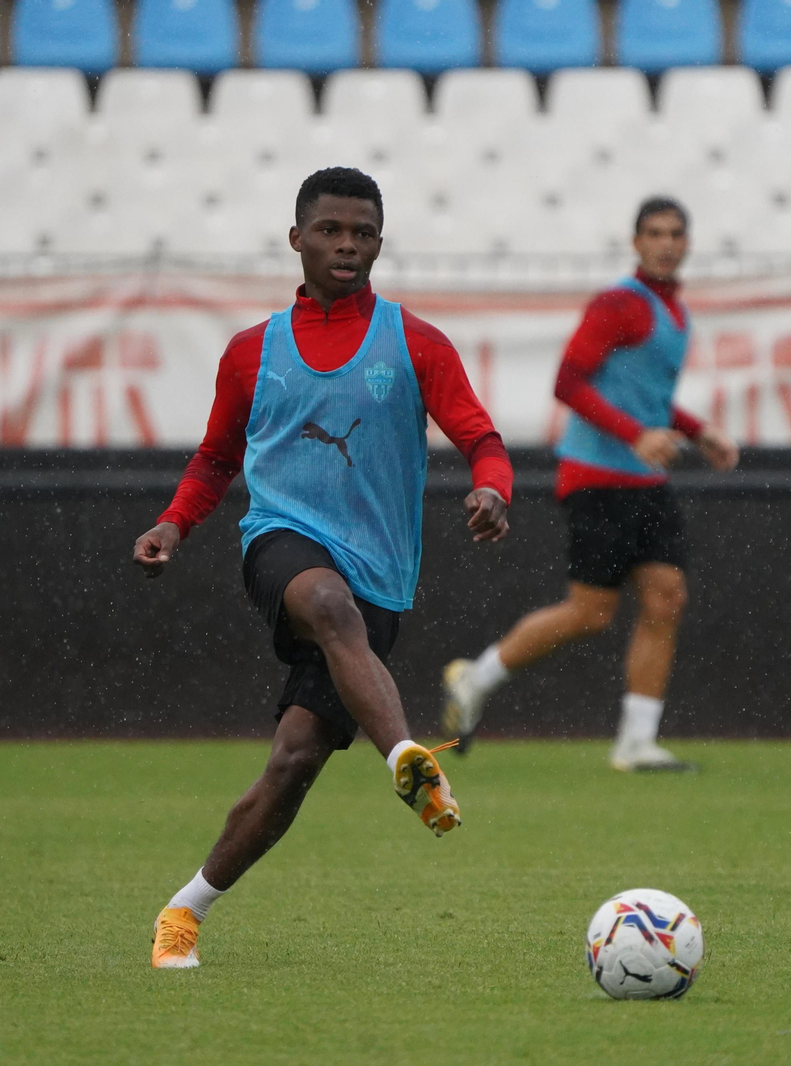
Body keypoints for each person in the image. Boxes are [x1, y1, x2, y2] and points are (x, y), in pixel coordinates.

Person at [132, 167, 513, 969]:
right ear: (297, 237)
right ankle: (407, 757)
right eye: (332, 231)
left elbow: (482, 438)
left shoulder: (414, 342)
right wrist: (175, 523)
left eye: (363, 233)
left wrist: (491, 488)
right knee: (327, 603)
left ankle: (184, 910)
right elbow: (215, 458)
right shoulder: (250, 352)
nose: (347, 245)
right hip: (281, 542)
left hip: (380, 577)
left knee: (294, 762)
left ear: (380, 241)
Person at [441, 197, 738, 772]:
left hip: (643, 478)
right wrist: (633, 436)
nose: (666, 243)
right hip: (596, 476)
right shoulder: (618, 304)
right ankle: (474, 680)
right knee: (590, 612)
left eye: (676, 233)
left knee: (666, 599)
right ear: (635, 242)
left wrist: (699, 433)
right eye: (654, 233)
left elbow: (644, 396)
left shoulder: (674, 314)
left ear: (688, 243)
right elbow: (567, 382)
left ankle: (635, 742)